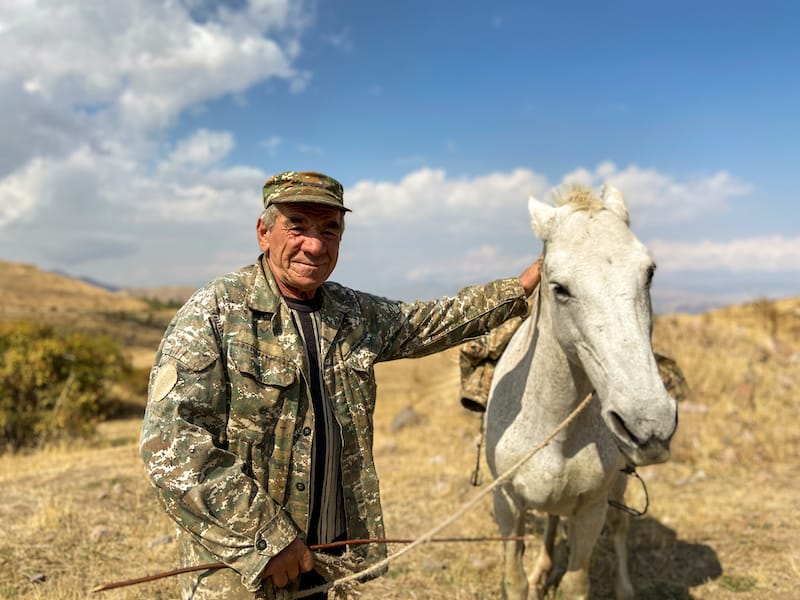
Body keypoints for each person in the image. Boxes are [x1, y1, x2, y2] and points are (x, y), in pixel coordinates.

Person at [139, 171, 543, 599]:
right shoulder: (215, 312)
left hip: (324, 560)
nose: (314, 245)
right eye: (297, 225)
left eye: (329, 229)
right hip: (241, 569)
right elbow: (173, 446)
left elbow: (431, 321)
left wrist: (518, 288)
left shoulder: (352, 313)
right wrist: (268, 538)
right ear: (264, 232)